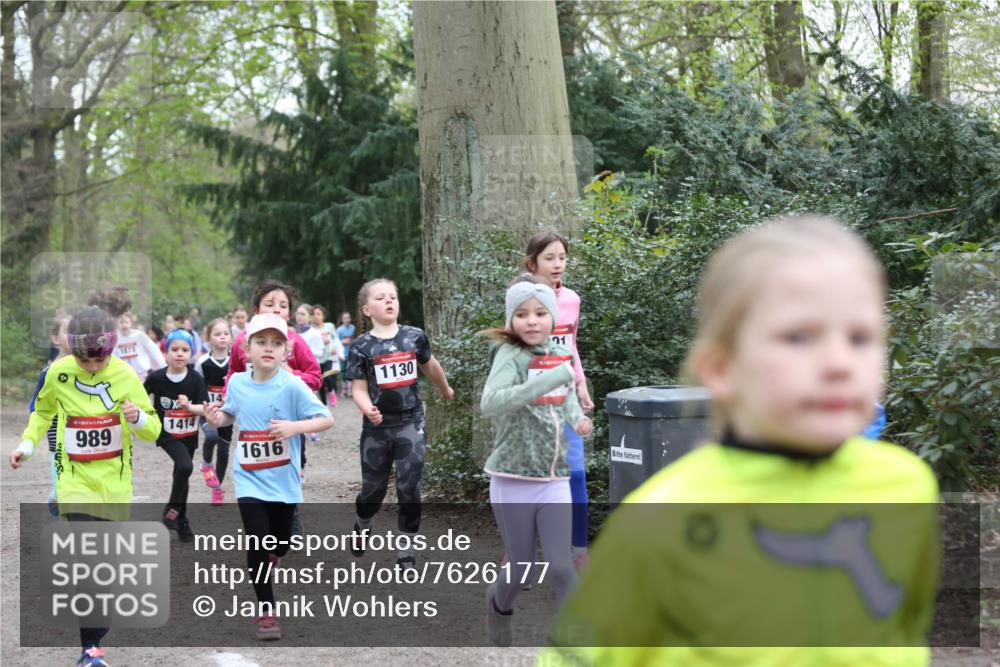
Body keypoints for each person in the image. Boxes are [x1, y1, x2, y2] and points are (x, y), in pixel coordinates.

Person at [541, 216, 940, 666]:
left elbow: (905, 631)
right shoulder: (660, 519)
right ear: (721, 368)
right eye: (799, 337)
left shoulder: (906, 485)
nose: (839, 363)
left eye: (861, 337)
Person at [10, 305, 162, 667]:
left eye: (99, 360)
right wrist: (26, 446)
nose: (92, 367)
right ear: (72, 350)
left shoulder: (126, 375)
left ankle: (95, 633)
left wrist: (138, 416)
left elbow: (153, 430)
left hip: (114, 484)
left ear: (109, 349)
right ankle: (90, 649)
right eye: (84, 360)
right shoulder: (57, 373)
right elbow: (42, 413)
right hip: (73, 481)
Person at [204, 313, 334, 641]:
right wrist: (216, 418)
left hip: (283, 479)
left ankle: (274, 554)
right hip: (249, 477)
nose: (268, 348)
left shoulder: (292, 385)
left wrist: (294, 427)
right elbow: (229, 414)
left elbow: (326, 418)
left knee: (281, 541)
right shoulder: (237, 382)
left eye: (276, 343)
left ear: (286, 352)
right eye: (260, 342)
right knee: (257, 541)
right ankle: (266, 610)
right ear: (246, 349)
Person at [479, 276, 592, 647]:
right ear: (511, 320)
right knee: (521, 566)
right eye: (523, 314)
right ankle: (499, 606)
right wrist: (544, 382)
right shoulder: (509, 356)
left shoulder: (558, 355)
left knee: (562, 566)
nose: (532, 321)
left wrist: (579, 419)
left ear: (552, 317)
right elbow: (490, 403)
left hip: (554, 477)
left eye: (540, 313)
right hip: (513, 478)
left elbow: (567, 399)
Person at [345, 278, 454, 570]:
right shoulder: (361, 346)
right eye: (381, 298)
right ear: (367, 309)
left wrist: (444, 388)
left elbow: (430, 365)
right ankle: (362, 522)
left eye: (392, 296)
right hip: (377, 428)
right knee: (373, 490)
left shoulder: (414, 337)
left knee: (409, 486)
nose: (389, 301)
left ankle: (406, 548)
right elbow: (358, 388)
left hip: (410, 422)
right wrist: (369, 409)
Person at [226, 282, 322, 537]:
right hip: (254, 426)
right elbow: (232, 375)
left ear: (289, 314)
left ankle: (289, 514)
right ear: (256, 310)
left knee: (289, 469)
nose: (276, 310)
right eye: (269, 304)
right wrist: (229, 400)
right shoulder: (240, 342)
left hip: (288, 425)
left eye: (283, 306)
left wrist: (293, 375)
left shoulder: (295, 341)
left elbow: (316, 376)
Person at [523, 231, 594, 571]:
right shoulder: (520, 298)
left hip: (565, 395)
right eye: (549, 258)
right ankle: (520, 554)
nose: (558, 264)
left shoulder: (572, 300)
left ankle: (578, 551)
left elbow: (570, 346)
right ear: (532, 262)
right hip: (530, 399)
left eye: (562, 257)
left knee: (576, 474)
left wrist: (580, 384)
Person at [144, 328, 207, 541]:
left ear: (191, 353)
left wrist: (190, 407)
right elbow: (140, 398)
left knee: (182, 473)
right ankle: (172, 510)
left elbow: (204, 407)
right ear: (165, 353)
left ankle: (181, 520)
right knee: (185, 466)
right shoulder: (157, 378)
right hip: (166, 433)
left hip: (189, 434)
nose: (180, 354)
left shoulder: (196, 379)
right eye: (175, 349)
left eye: (185, 349)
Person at [28, 314, 71, 516]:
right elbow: (36, 407)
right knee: (63, 494)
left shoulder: (91, 369)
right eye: (68, 331)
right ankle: (56, 495)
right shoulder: (49, 372)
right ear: (56, 339)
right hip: (58, 442)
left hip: (86, 440)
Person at [194, 318, 233, 505]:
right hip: (207, 410)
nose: (222, 337)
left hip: (228, 412)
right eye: (217, 334)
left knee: (224, 453)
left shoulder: (235, 362)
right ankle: (206, 465)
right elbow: (195, 385)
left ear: (231, 337)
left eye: (226, 333)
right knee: (211, 437)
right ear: (209, 338)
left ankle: (217, 489)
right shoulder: (203, 362)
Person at [113, 311, 166, 381]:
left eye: (126, 322)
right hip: (123, 376)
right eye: (121, 323)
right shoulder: (115, 337)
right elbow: (111, 355)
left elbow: (154, 350)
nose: (124, 325)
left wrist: (164, 368)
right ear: (117, 324)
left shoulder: (140, 335)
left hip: (142, 374)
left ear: (131, 323)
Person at [312, 305, 344, 408]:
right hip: (317, 358)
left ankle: (331, 392)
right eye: (313, 314)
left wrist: (336, 348)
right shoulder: (311, 329)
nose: (316, 316)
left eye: (318, 314)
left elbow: (336, 339)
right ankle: (324, 404)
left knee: (327, 377)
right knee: (319, 380)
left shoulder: (329, 326)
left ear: (323, 316)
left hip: (329, 355)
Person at [336, 311, 356, 397]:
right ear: (342, 319)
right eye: (345, 318)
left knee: (351, 371)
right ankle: (344, 390)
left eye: (348, 317)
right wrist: (342, 341)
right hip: (342, 353)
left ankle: (351, 389)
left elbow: (354, 338)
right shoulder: (339, 330)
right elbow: (336, 342)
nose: (347, 319)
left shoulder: (353, 327)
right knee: (343, 371)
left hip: (351, 352)